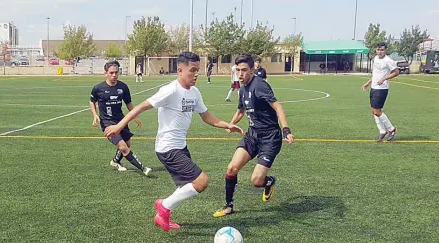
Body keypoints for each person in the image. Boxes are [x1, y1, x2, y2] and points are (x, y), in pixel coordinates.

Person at [104, 51, 244, 232]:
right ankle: (163, 207)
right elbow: (141, 107)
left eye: (197, 70)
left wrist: (228, 125)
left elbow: (206, 116)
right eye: (192, 70)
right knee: (201, 181)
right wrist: (118, 126)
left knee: (184, 187)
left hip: (180, 146)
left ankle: (162, 214)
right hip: (167, 147)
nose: (196, 75)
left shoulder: (194, 92)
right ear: (180, 70)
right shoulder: (170, 90)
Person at [213, 55, 295, 218]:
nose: (240, 74)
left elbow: (278, 107)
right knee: (231, 168)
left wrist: (286, 130)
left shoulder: (260, 85)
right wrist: (231, 124)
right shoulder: (242, 89)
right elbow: (241, 111)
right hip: (252, 135)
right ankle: (228, 205)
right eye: (238, 70)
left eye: (244, 70)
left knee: (256, 181)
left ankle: (268, 181)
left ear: (252, 70)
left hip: (270, 138)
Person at [90, 60, 152, 175]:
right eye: (111, 73)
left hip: (121, 121)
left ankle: (115, 161)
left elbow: (128, 103)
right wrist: (94, 115)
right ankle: (143, 168)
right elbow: (92, 101)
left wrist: (135, 116)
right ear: (106, 73)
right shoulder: (98, 88)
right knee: (123, 147)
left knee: (127, 144)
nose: (114, 75)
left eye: (116, 73)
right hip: (107, 123)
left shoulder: (123, 87)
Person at [361, 42, 399, 142]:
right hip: (374, 87)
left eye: (382, 50)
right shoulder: (376, 58)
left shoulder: (388, 61)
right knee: (374, 111)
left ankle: (391, 129)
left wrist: (384, 79)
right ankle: (382, 131)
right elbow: (375, 74)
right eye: (378, 49)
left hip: (382, 89)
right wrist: (368, 83)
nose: (379, 51)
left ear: (385, 50)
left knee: (377, 111)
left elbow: (396, 72)